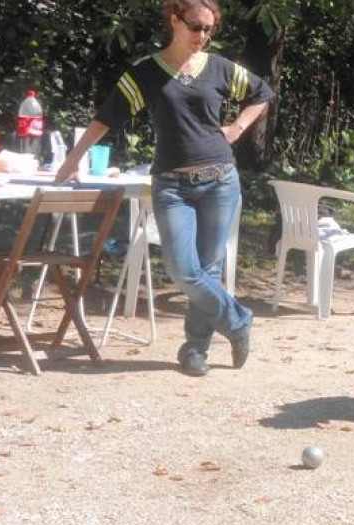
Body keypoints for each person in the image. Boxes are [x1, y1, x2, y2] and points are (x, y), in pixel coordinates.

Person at [55, 0, 275, 376]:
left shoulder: (219, 67)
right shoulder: (146, 73)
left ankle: (194, 350)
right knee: (184, 271)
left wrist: (238, 127)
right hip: (172, 184)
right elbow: (106, 116)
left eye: (209, 30)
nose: (202, 36)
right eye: (195, 27)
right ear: (175, 21)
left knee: (208, 267)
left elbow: (263, 92)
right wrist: (72, 160)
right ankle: (238, 320)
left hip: (221, 179)